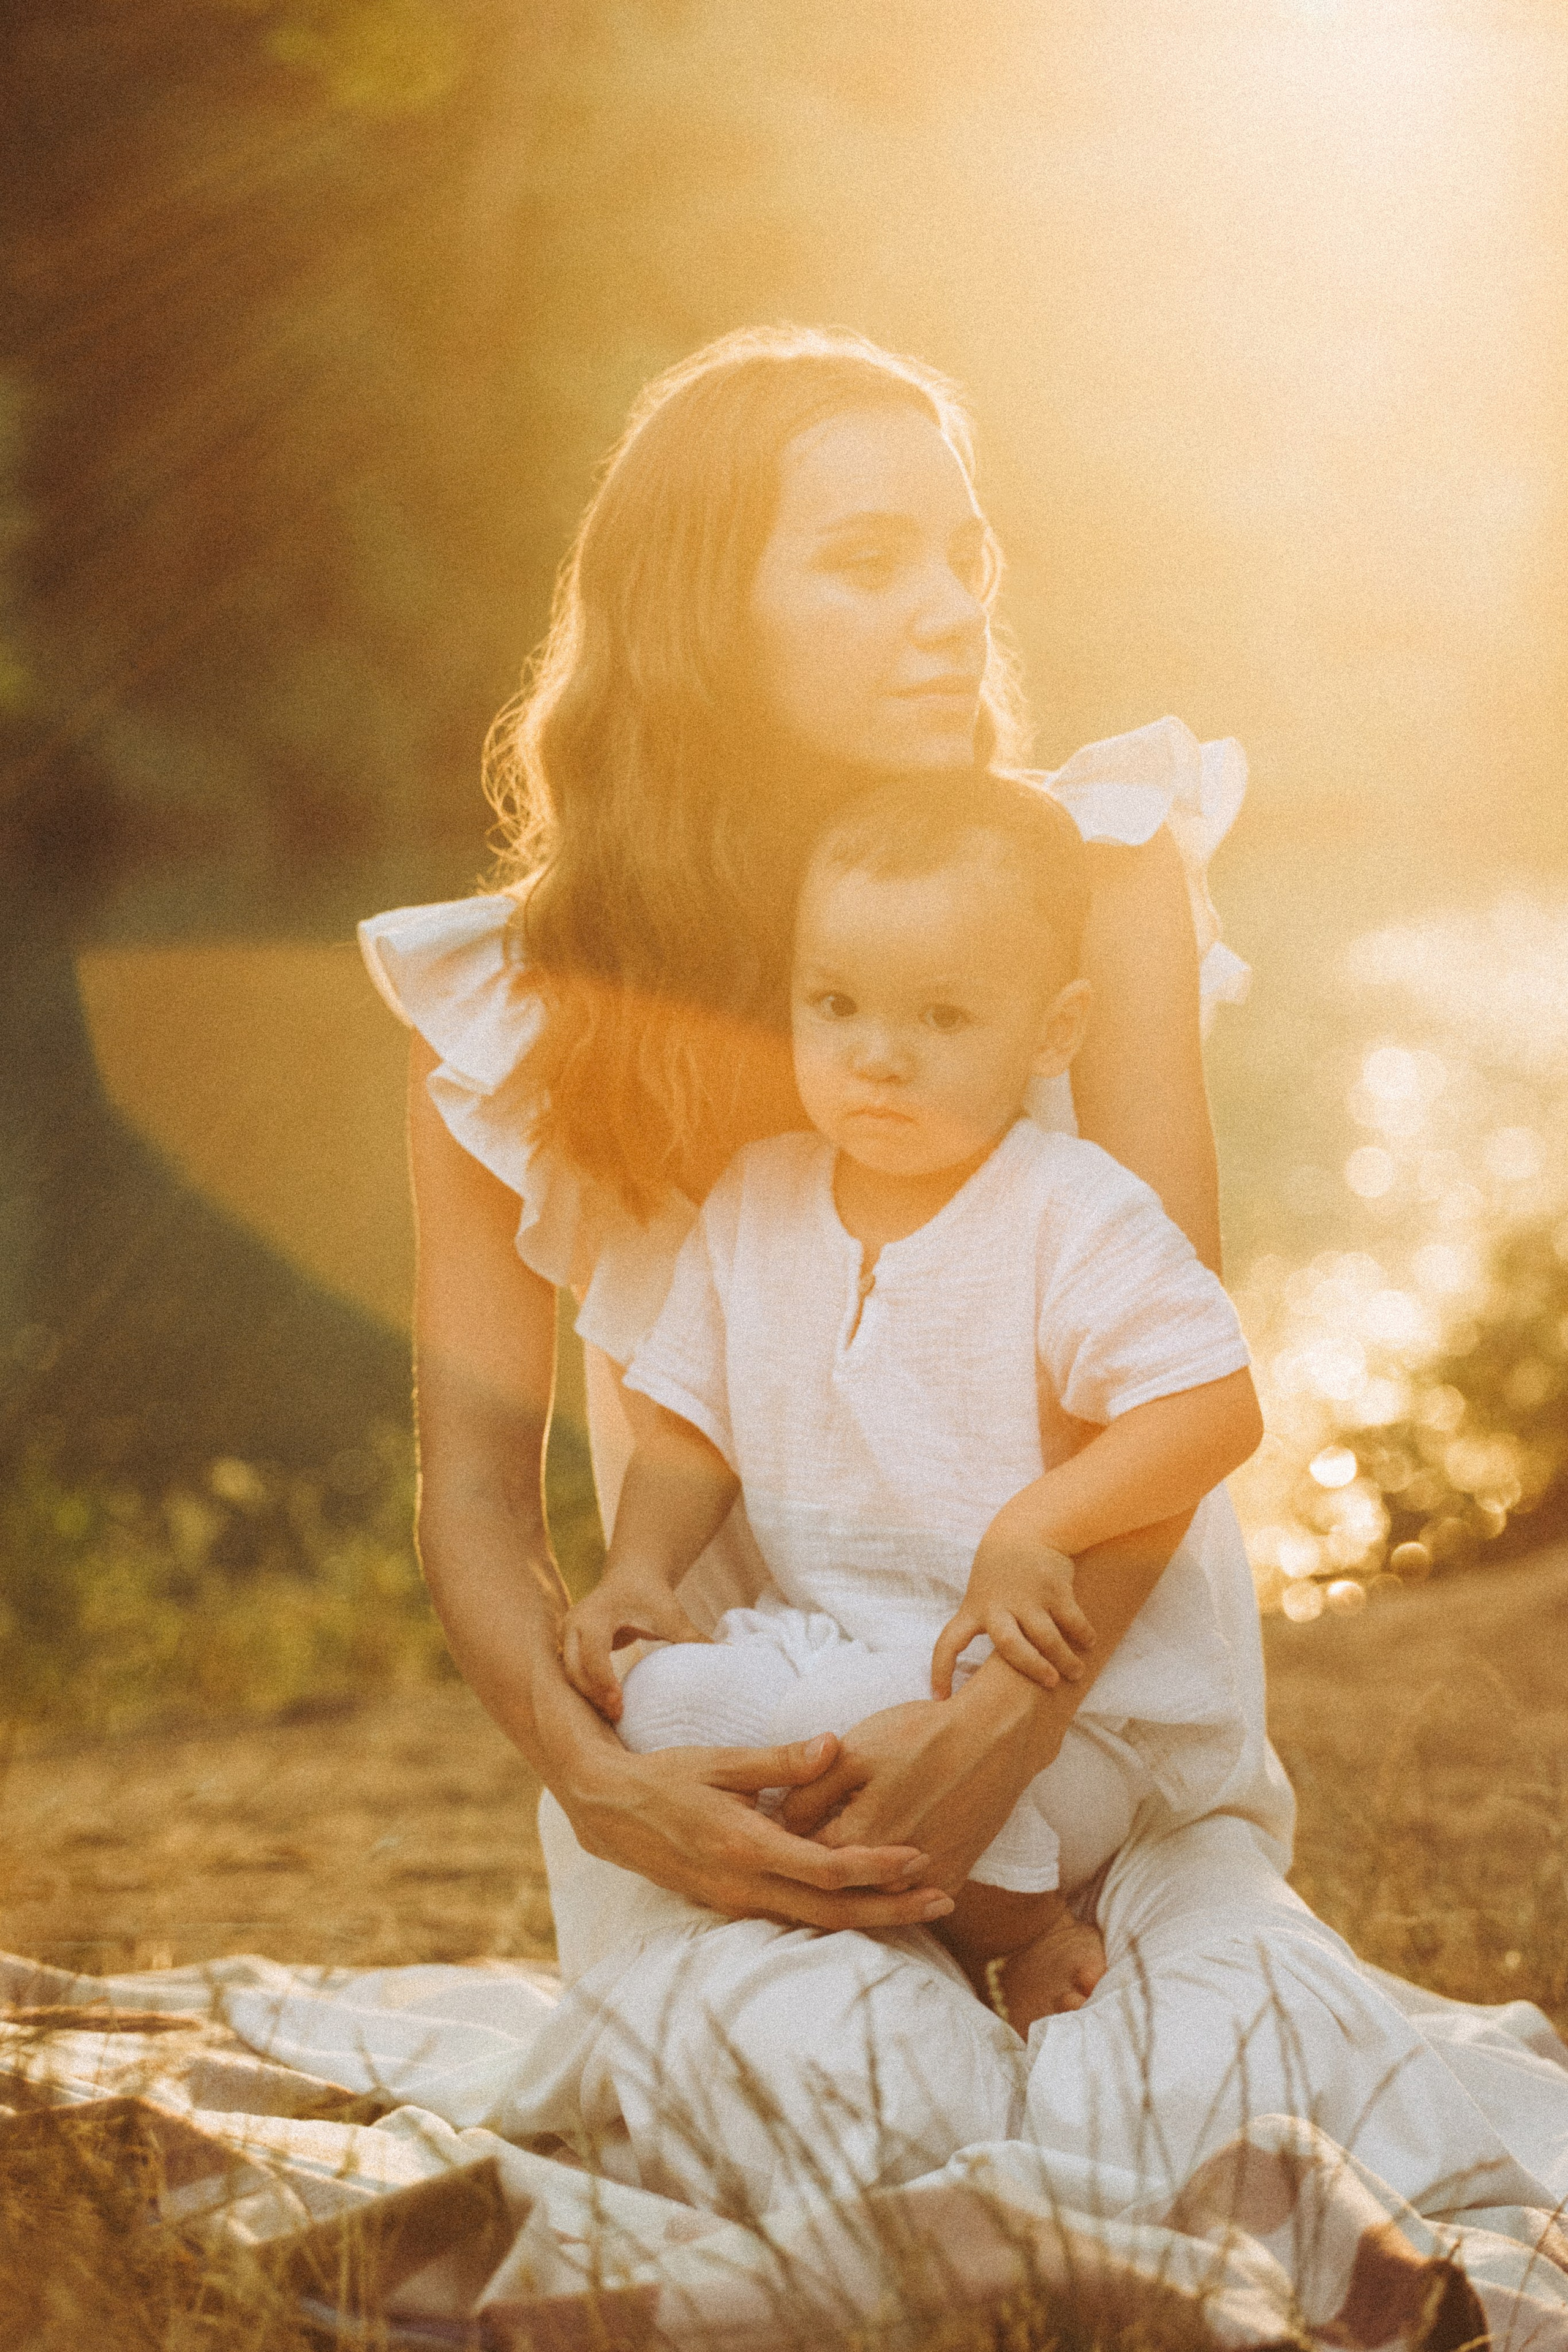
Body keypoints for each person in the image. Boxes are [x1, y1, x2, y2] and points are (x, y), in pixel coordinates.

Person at [559, 769, 1265, 2032]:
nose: (874, 1057)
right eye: (832, 1006)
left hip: (1055, 1710)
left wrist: (1036, 1526)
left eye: (939, 1017)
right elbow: (687, 1430)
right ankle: (851, 1899)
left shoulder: (1069, 1207)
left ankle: (1027, 1928)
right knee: (665, 1707)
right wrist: (637, 1576)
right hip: (828, 1642)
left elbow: (1212, 1409)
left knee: (860, 1725)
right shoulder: (757, 1198)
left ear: (1051, 1035)